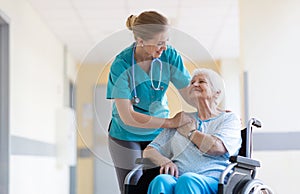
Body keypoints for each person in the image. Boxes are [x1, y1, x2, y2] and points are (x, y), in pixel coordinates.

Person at [106, 11, 192, 193]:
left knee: (161, 180)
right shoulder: (121, 64)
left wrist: (216, 110)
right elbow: (127, 117)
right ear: (140, 41)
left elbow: (190, 93)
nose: (165, 47)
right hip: (125, 135)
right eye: (159, 43)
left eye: (166, 41)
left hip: (158, 132)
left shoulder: (169, 57)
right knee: (134, 184)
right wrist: (171, 122)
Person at [144, 68, 242, 194]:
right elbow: (149, 151)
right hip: (179, 178)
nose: (194, 84)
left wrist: (191, 133)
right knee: (161, 181)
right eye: (192, 82)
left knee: (187, 180)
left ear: (217, 92)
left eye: (201, 81)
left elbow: (216, 147)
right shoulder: (181, 119)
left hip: (214, 181)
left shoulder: (228, 119)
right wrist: (165, 161)